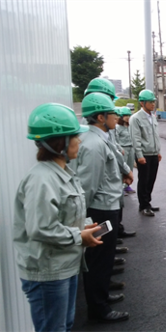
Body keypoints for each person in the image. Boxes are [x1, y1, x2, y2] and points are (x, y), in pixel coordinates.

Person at [13, 103, 102, 332]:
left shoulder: (61, 173)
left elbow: (60, 216)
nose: (79, 141)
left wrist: (84, 226)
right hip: (48, 273)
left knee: (64, 326)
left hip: (63, 266)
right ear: (59, 143)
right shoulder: (42, 179)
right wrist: (79, 236)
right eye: (74, 137)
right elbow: (41, 228)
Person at [70, 92, 132, 323]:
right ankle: (99, 309)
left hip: (107, 206)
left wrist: (123, 174)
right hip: (101, 210)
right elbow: (88, 185)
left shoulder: (100, 137)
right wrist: (84, 219)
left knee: (103, 258)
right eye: (111, 113)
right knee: (99, 259)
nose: (116, 116)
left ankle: (102, 298)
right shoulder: (95, 144)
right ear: (99, 117)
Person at [130, 89, 162, 217]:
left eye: (153, 102)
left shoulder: (152, 117)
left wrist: (158, 151)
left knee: (151, 180)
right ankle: (143, 206)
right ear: (142, 103)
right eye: (150, 102)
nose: (153, 104)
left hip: (153, 154)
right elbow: (136, 138)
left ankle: (147, 202)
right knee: (143, 180)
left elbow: (155, 136)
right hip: (144, 155)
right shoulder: (136, 118)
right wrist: (139, 156)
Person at [115, 106, 136, 193]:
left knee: (130, 167)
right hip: (123, 149)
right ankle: (120, 187)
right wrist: (119, 149)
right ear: (121, 116)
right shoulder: (117, 127)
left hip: (131, 148)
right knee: (122, 168)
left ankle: (127, 185)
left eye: (129, 115)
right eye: (125, 115)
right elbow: (115, 140)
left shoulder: (130, 126)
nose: (127, 117)